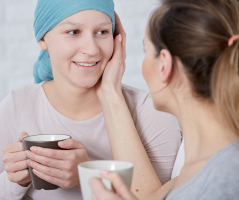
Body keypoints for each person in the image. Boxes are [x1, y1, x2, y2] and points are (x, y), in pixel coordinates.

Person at [0, 0, 182, 200]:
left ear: (117, 38)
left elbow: (158, 198)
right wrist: (14, 181)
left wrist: (85, 173)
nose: (91, 49)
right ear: (42, 38)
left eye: (102, 31)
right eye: (74, 31)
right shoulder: (19, 104)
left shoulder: (152, 111)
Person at [89, 0, 239, 199]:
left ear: (164, 65)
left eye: (146, 51)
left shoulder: (224, 178)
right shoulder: (199, 169)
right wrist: (108, 90)